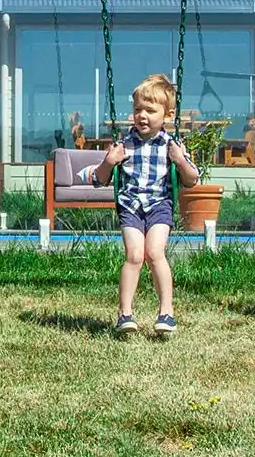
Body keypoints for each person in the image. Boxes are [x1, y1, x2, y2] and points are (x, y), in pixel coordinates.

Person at [79, 73, 199, 335]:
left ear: (167, 115)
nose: (142, 115)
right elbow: (100, 179)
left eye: (150, 110)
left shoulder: (172, 145)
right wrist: (109, 162)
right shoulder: (123, 145)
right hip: (131, 205)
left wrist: (179, 159)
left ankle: (166, 312)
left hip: (159, 205)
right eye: (137, 110)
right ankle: (125, 314)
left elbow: (192, 179)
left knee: (155, 253)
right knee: (134, 255)